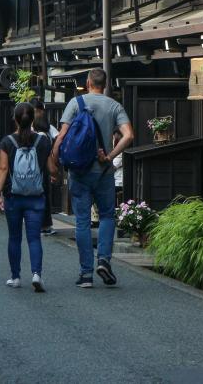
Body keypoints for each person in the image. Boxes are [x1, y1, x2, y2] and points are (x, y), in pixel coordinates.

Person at [51, 68, 134, 288]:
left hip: (78, 171)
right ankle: (104, 260)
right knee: (107, 216)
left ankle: (86, 274)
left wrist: (55, 164)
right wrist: (109, 156)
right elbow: (129, 135)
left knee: (82, 222)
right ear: (105, 85)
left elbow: (61, 137)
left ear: (88, 83)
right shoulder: (114, 106)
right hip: (103, 172)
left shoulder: (75, 103)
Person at [0, 102, 56, 292]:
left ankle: (15, 277)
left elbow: (3, 168)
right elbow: (52, 169)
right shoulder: (43, 141)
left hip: (13, 196)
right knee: (34, 238)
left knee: (14, 237)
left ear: (15, 118)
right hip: (36, 196)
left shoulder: (7, 141)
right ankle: (36, 274)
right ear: (33, 119)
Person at [32, 115, 57, 236]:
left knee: (40, 199)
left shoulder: (37, 137)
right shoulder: (46, 137)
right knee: (45, 199)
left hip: (36, 172)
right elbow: (49, 156)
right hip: (43, 172)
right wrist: (53, 171)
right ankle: (44, 226)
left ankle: (41, 225)